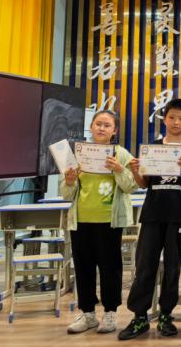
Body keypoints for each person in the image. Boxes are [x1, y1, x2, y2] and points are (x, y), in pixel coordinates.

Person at [118, 98, 181, 340]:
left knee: (173, 267)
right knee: (145, 266)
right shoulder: (152, 148)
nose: (176, 122)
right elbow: (144, 184)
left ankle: (166, 315)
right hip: (152, 215)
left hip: (179, 216)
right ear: (165, 119)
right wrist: (135, 171)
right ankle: (139, 316)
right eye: (172, 117)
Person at [62, 110, 136, 334]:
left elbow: (130, 186)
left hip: (109, 221)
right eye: (98, 124)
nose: (101, 128)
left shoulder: (121, 154)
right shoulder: (78, 154)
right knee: (83, 267)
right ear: (91, 127)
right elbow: (66, 194)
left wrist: (119, 170)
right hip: (81, 220)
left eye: (107, 125)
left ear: (115, 131)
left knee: (110, 267)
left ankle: (110, 313)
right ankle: (88, 314)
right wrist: (69, 181)